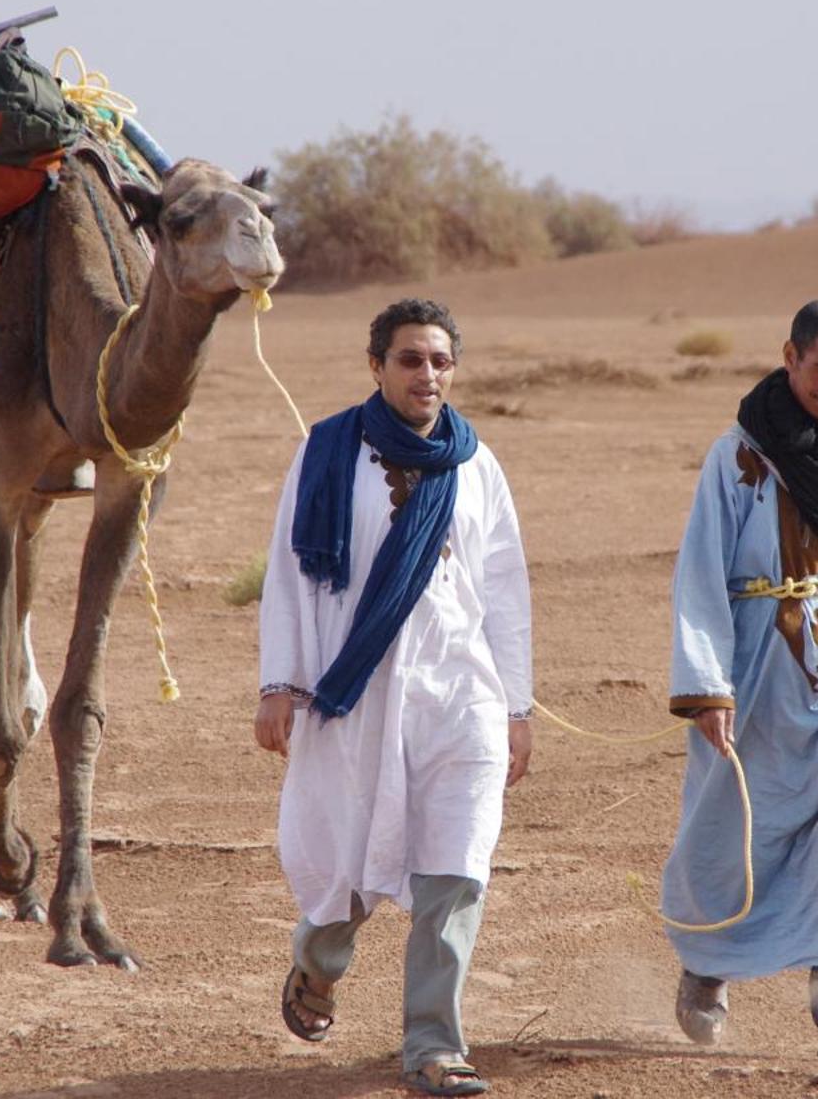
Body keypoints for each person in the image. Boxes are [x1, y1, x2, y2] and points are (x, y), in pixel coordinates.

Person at [255, 297, 533, 1098]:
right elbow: (288, 574)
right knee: (351, 858)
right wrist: (281, 683)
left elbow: (504, 591)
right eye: (411, 359)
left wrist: (515, 706)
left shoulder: (476, 465)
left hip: (462, 692)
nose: (427, 374)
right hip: (358, 691)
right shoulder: (328, 451)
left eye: (441, 360)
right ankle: (319, 962)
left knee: (458, 865)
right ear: (376, 365)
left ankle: (433, 1046)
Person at [660, 299, 818, 1067]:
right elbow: (700, 570)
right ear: (791, 357)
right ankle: (708, 961)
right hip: (759, 673)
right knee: (742, 832)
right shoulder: (737, 454)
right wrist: (707, 684)